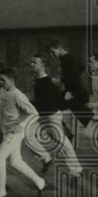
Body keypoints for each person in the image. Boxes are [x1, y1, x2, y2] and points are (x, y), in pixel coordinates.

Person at [0, 68, 47, 197]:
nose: (1, 82)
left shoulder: (18, 95)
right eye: (0, 80)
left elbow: (34, 113)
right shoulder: (3, 91)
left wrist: (20, 125)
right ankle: (40, 182)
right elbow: (1, 105)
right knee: (16, 162)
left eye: (3, 80)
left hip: (15, 133)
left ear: (11, 80)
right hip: (8, 131)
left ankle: (1, 192)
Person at [29, 53, 83, 182]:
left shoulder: (47, 82)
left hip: (51, 116)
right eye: (31, 62)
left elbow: (50, 103)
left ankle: (76, 171)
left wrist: (30, 103)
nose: (31, 65)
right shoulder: (39, 81)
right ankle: (46, 158)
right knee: (28, 135)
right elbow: (43, 101)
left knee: (63, 144)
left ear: (42, 65)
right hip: (44, 116)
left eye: (34, 62)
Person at [48, 40, 91, 129]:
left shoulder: (69, 59)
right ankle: (65, 133)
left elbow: (74, 76)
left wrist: (62, 82)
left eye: (53, 52)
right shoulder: (65, 58)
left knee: (88, 121)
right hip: (72, 92)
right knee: (53, 107)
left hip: (76, 93)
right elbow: (80, 67)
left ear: (59, 49)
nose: (52, 55)